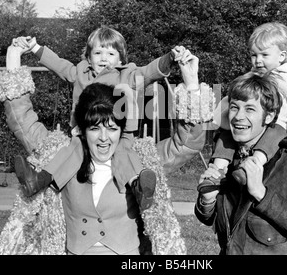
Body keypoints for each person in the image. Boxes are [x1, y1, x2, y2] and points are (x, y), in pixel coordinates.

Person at [0, 42, 213, 255]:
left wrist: (191, 81)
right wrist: (13, 57)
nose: (104, 139)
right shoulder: (59, 153)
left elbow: (188, 142)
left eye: (113, 128)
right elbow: (22, 120)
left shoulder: (143, 160)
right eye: (95, 129)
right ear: (82, 129)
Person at [12, 27, 188, 213]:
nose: (104, 58)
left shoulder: (128, 75)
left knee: (124, 155)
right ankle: (40, 180)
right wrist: (34, 47)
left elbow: (150, 72)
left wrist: (170, 58)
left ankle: (138, 188)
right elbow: (58, 64)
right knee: (70, 152)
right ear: (89, 57)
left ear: (120, 58)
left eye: (111, 53)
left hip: (120, 133)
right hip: (84, 132)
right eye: (98, 52)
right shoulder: (80, 72)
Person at [194, 71, 287, 255]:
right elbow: (209, 218)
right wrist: (207, 200)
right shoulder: (225, 157)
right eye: (234, 107)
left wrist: (261, 194)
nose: (238, 116)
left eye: (249, 109)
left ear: (269, 116)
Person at [201, 21, 287, 191]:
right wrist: (220, 115)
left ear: (281, 56)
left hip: (276, 125)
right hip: (250, 126)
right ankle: (217, 171)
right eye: (254, 55)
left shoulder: (286, 80)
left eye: (264, 55)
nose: (258, 61)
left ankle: (251, 166)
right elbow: (231, 98)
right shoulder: (249, 78)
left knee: (274, 133)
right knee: (226, 135)